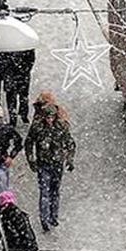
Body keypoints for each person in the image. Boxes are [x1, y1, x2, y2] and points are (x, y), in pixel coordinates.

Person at [25, 98, 76, 232]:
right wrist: (31, 161)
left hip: (57, 164)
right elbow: (28, 143)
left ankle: (53, 216)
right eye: (47, 117)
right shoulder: (37, 127)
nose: (49, 119)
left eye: (51, 117)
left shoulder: (61, 127)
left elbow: (70, 144)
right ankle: (44, 218)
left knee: (55, 191)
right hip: (44, 164)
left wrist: (70, 159)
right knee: (45, 191)